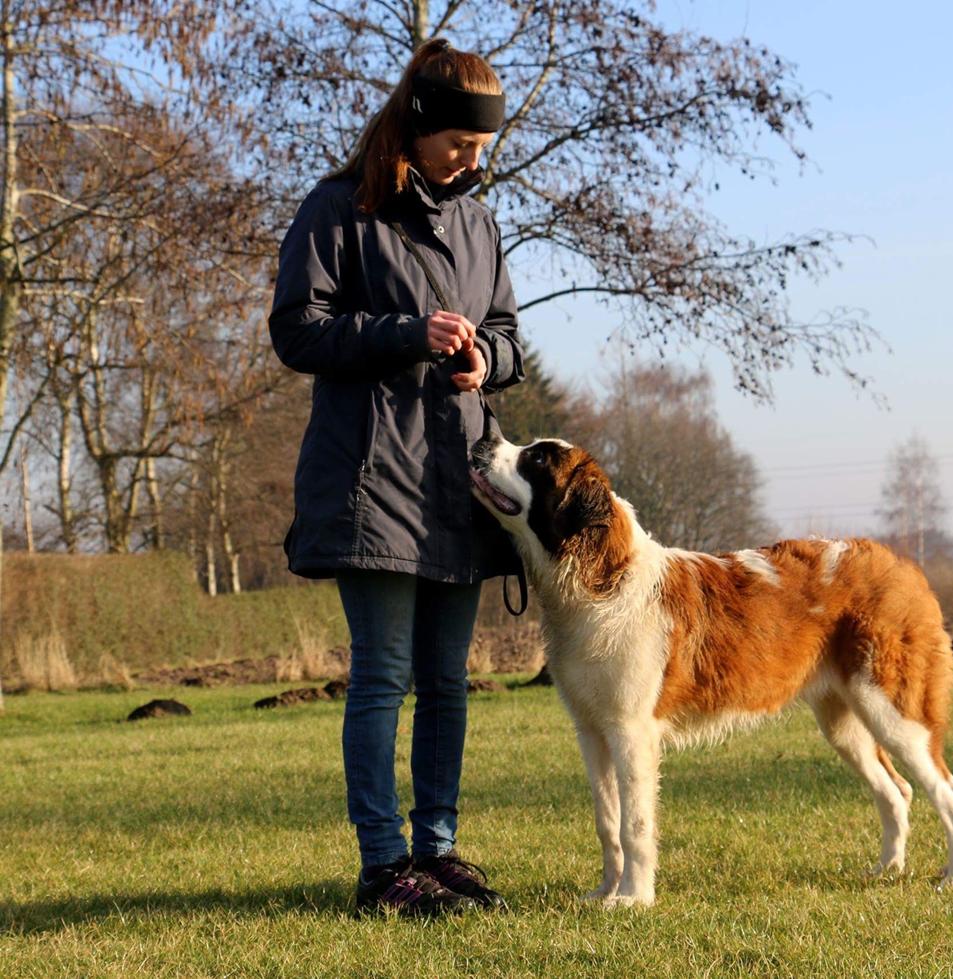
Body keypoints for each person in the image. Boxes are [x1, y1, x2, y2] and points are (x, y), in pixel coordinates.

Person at [268, 38, 525, 918]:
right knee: (383, 674)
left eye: (480, 148)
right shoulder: (336, 209)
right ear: (416, 127)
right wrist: (405, 333)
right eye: (460, 143)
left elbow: (511, 336)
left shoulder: (480, 223)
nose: (472, 160)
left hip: (459, 479)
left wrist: (485, 360)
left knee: (449, 679)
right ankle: (384, 866)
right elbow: (297, 330)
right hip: (372, 479)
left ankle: (439, 851)